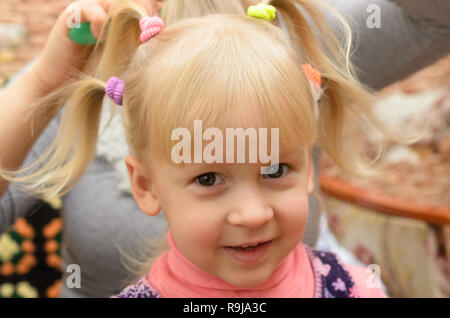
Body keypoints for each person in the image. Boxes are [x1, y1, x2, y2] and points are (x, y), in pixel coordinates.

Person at [0, 0, 448, 298]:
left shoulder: (286, 38)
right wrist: (44, 80)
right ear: (145, 183)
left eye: (274, 169)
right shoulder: (81, 75)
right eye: (209, 178)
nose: (251, 214)